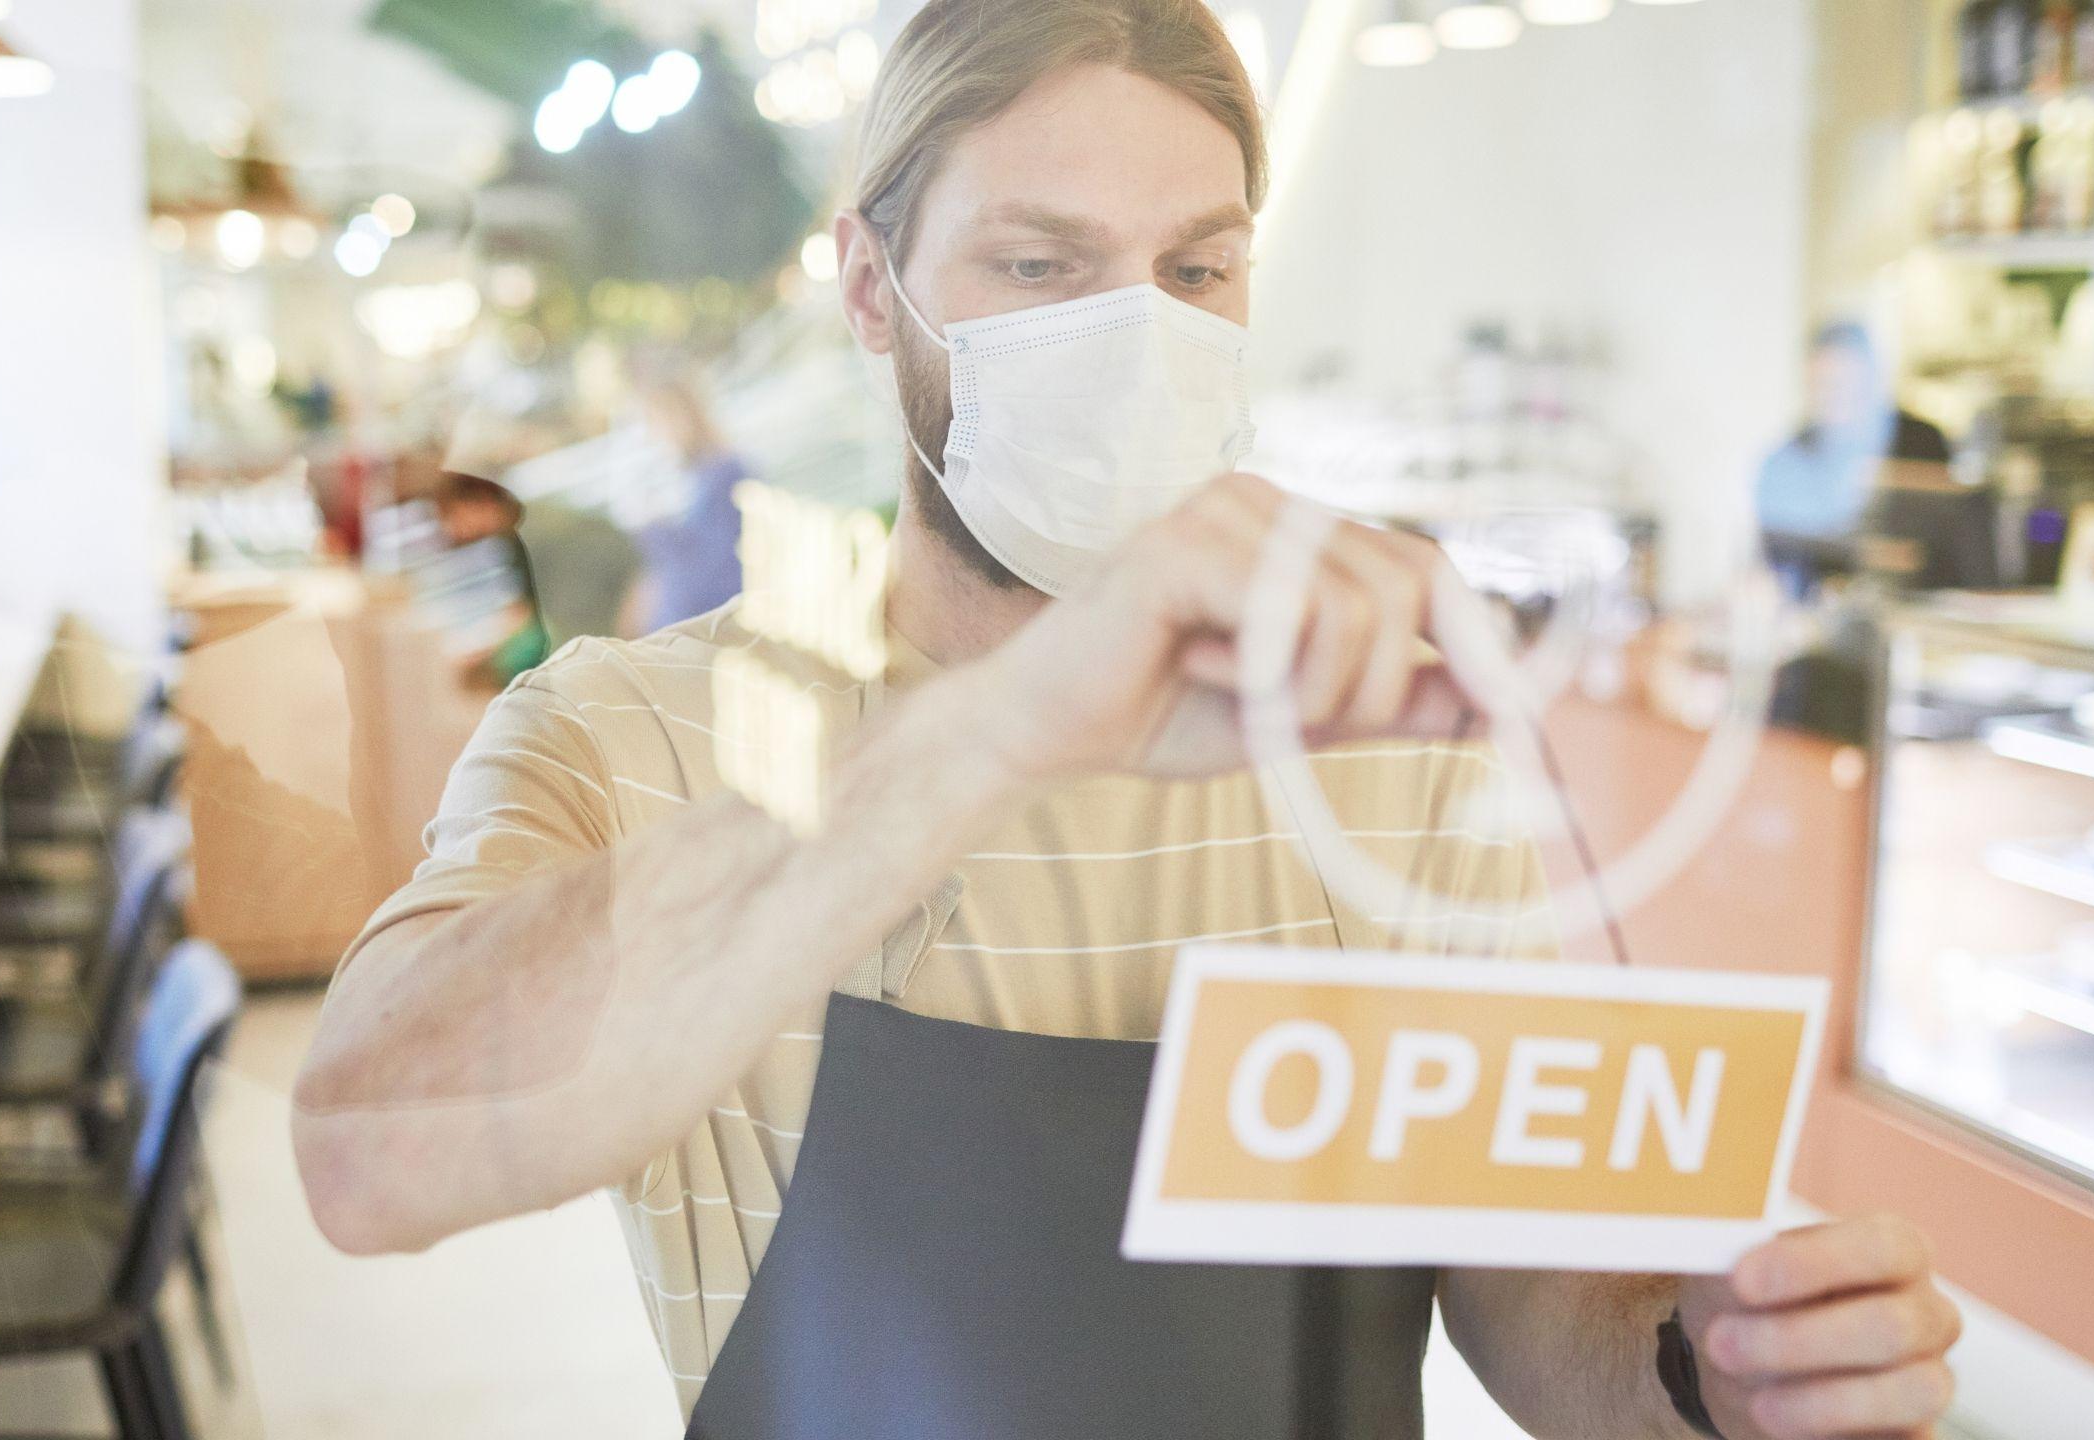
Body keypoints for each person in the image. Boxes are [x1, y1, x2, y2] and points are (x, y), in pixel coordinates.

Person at [294, 5, 1961, 1437]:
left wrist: (1711, 1373)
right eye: (1041, 264)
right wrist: (1005, 724)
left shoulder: (1387, 743)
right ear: (874, 292)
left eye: (1196, 267)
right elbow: (368, 1151)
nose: (1134, 332)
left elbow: (1553, 1280)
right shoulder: (630, 735)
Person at [1755, 323, 1956, 598]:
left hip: (1921, 613)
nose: (1835, 397)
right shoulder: (1788, 461)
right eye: (1823, 385)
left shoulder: (1921, 442)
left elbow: (1954, 549)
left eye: (1846, 384)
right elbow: (1775, 568)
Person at [622, 375, 748, 636]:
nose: (654, 434)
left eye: (658, 420)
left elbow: (718, 567)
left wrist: (657, 532)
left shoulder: (725, 473)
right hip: (687, 625)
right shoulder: (696, 477)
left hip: (715, 623)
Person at [426, 472, 552, 686]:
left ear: (482, 502)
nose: (454, 527)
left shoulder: (521, 541)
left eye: (454, 514)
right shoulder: (499, 543)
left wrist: (479, 650)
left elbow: (522, 613)